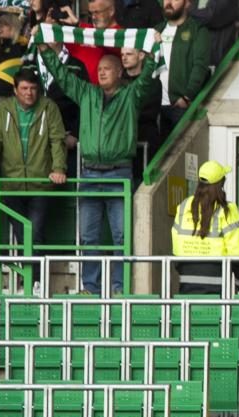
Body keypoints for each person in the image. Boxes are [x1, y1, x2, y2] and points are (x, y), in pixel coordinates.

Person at [37, 40, 157, 295]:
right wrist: (46, 52)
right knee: (89, 237)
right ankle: (90, 287)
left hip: (119, 173)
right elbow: (62, 76)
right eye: (99, 68)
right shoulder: (87, 93)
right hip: (89, 172)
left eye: (107, 68)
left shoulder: (130, 95)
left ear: (119, 72)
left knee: (121, 238)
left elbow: (146, 80)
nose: (101, 72)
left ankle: (119, 287)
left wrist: (153, 54)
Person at [0, 69, 66, 283]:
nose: (29, 93)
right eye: (24, 88)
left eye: (33, 88)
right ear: (15, 90)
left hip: (41, 183)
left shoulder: (49, 107)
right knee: (22, 234)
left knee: (33, 232)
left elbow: (57, 141)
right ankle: (32, 278)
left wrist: (59, 169)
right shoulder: (3, 108)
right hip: (11, 183)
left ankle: (33, 280)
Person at [170, 159, 239, 294]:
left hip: (187, 285)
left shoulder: (183, 206)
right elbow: (238, 253)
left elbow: (176, 249)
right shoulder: (227, 210)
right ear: (221, 183)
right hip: (217, 287)